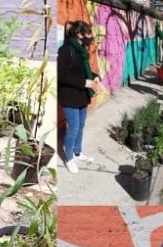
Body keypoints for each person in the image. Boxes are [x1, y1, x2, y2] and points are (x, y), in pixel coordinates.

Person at [58, 21, 100, 174]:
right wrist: (84, 82)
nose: (90, 36)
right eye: (87, 33)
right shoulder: (66, 50)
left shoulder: (82, 50)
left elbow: (82, 71)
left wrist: (95, 76)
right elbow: (62, 76)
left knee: (81, 125)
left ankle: (77, 152)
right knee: (73, 128)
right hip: (70, 96)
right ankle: (69, 158)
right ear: (79, 34)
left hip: (81, 95)